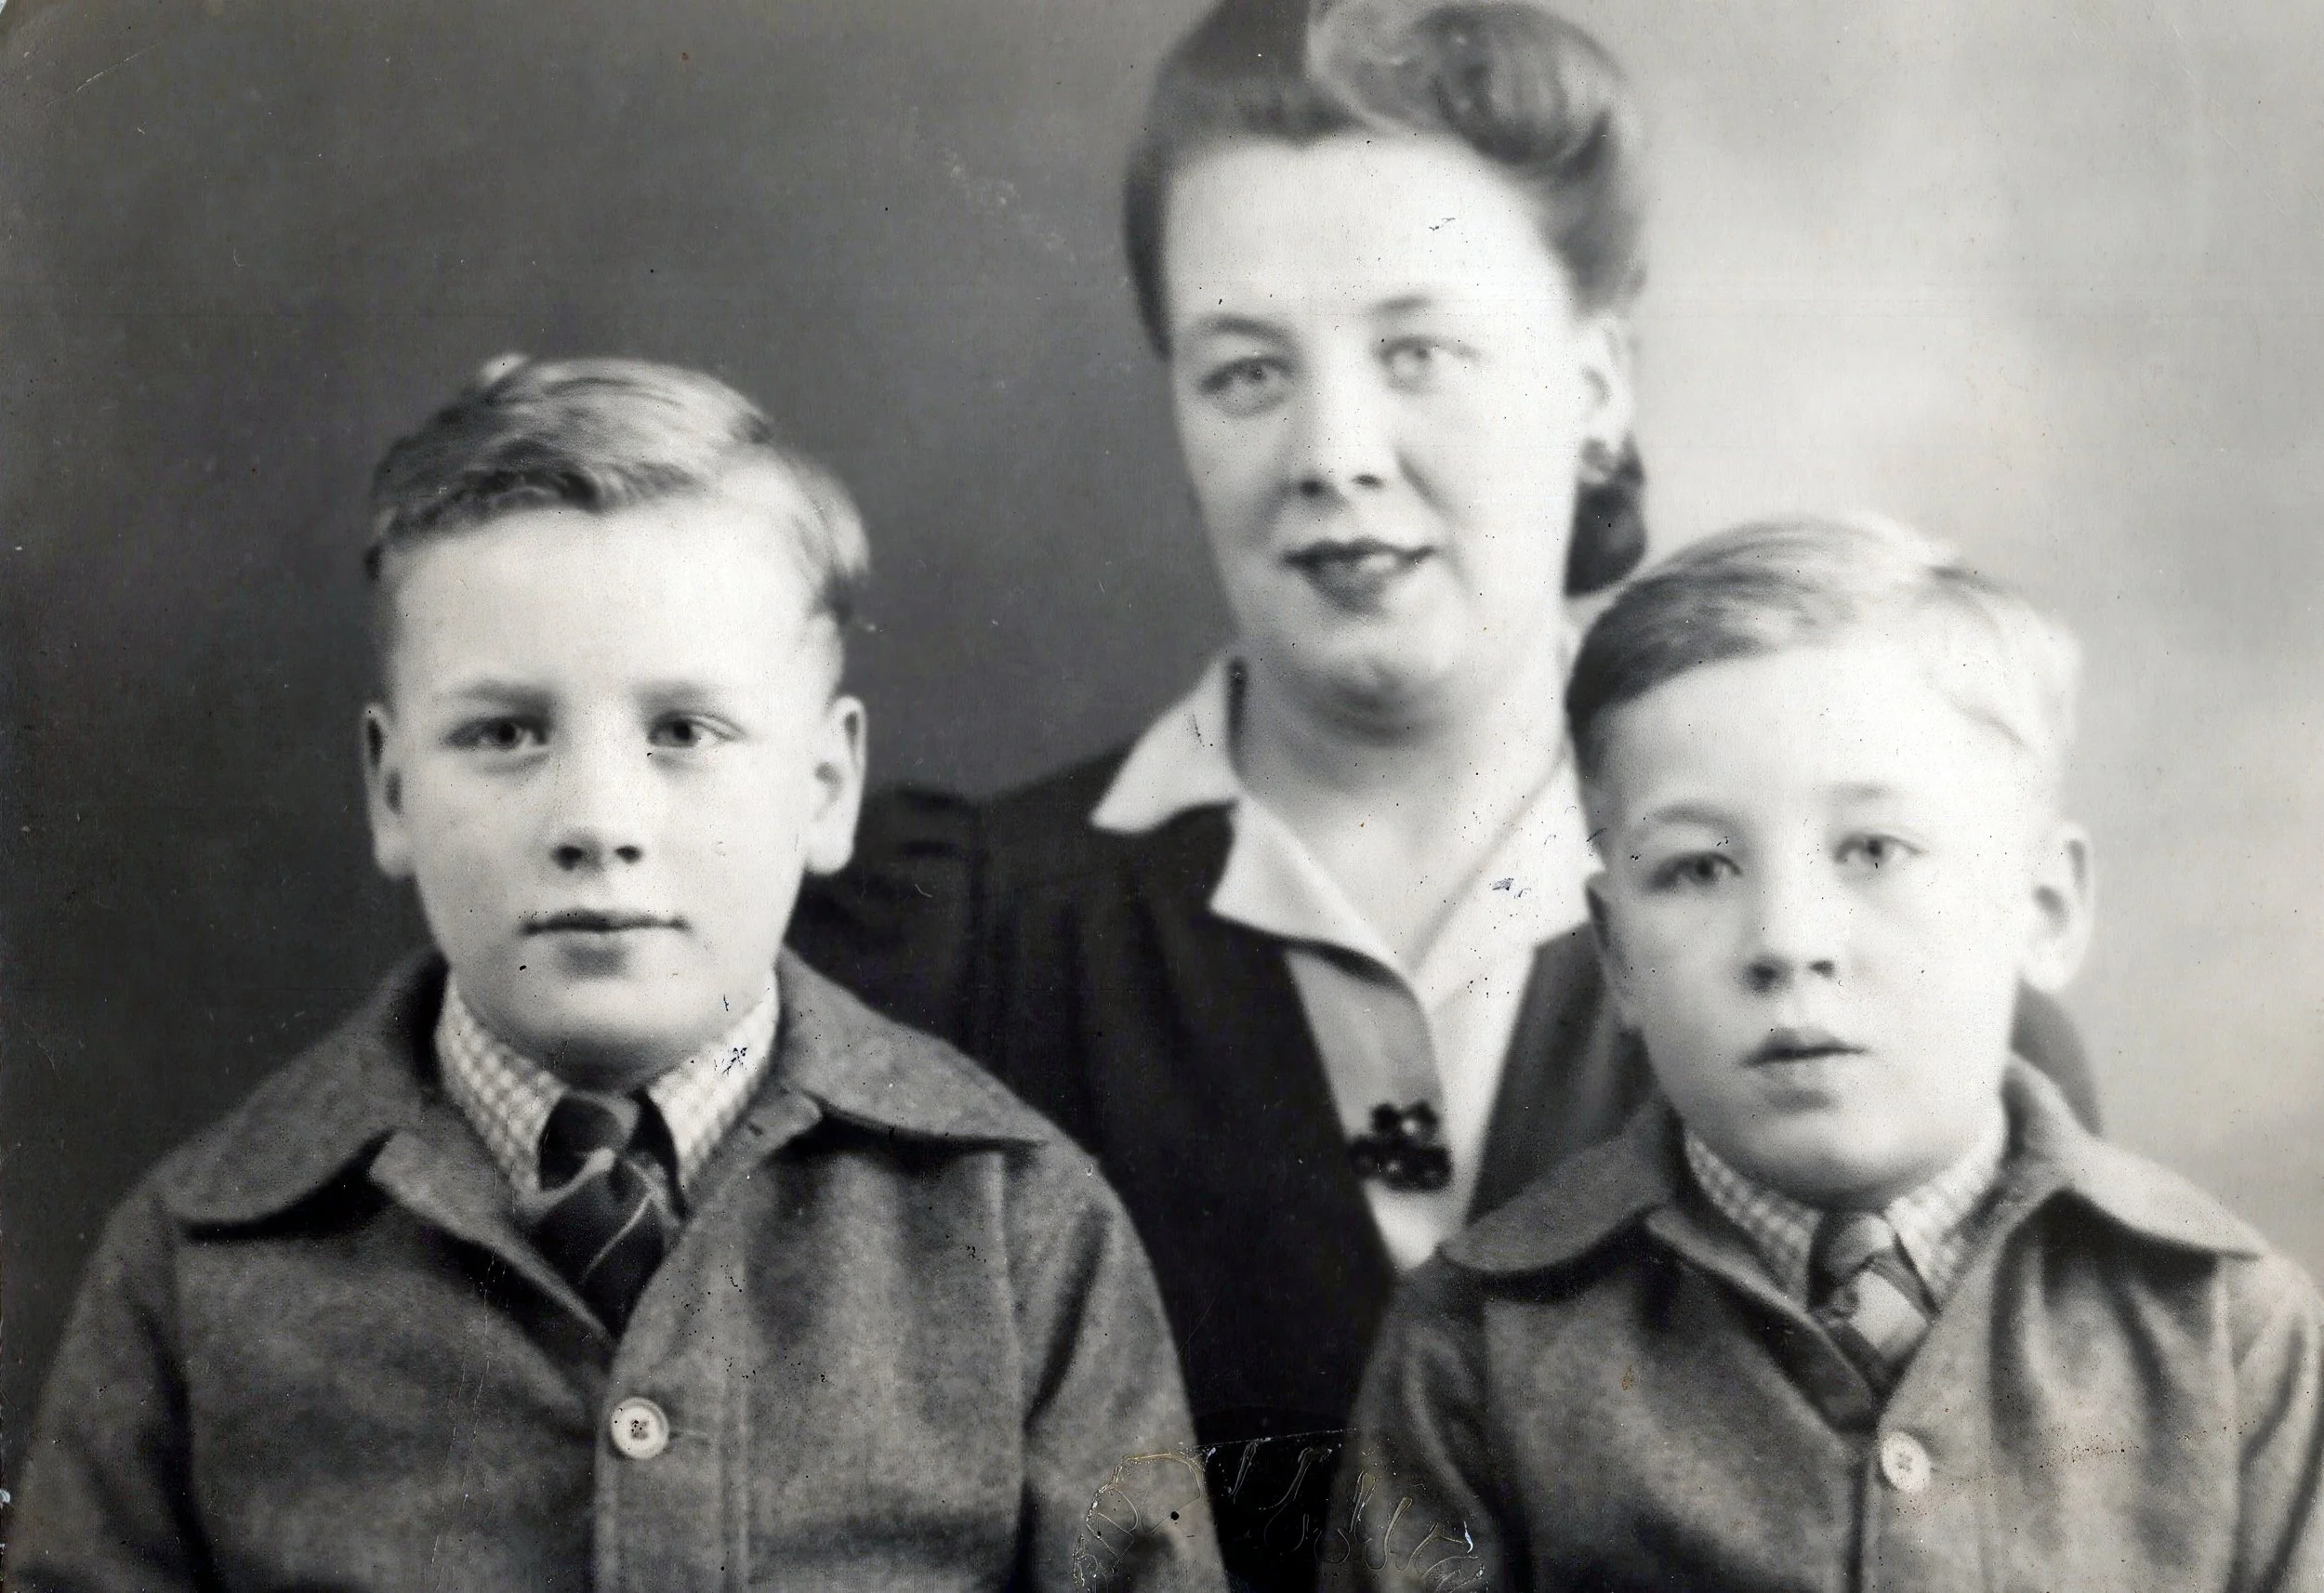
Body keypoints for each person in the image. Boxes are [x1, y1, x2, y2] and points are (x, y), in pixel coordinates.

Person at [794, 0, 2100, 1530]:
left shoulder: (1886, 959)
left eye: (1418, 348)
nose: (1334, 446)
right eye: (1244, 370)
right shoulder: (947, 953)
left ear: (1598, 381)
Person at [11, 356, 1221, 1593]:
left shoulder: (1017, 1228)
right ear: (390, 790)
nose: (597, 817)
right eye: (504, 732)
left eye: (684, 732)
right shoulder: (199, 1257)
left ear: (825, 785)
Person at [1327, 516, 2324, 1591]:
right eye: (1699, 868)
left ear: (2044, 905)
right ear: (1615, 952)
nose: (1787, 941)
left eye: (1874, 850)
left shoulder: (2225, 1327)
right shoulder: (1478, 1347)